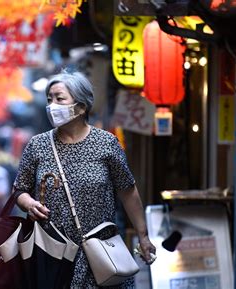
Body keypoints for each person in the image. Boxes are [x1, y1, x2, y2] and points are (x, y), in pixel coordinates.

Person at [13, 70, 156, 288]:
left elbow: (128, 191)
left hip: (101, 253)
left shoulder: (106, 143)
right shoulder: (37, 145)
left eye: (60, 99)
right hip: (53, 253)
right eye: (49, 99)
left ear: (81, 107)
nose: (52, 105)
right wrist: (29, 203)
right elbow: (19, 190)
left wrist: (143, 237)